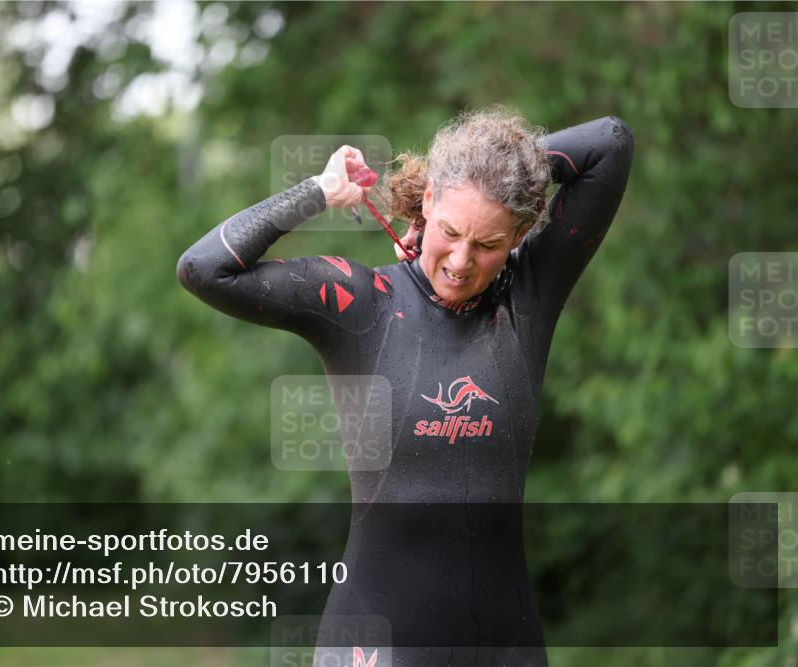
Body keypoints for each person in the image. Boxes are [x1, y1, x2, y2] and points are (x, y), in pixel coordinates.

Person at [177, 108, 634, 666]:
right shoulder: (360, 302)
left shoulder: (527, 299)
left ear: (519, 233)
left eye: (488, 244)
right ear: (428, 201)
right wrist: (318, 192)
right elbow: (203, 270)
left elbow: (611, 142)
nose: (462, 262)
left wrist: (505, 174)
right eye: (450, 232)